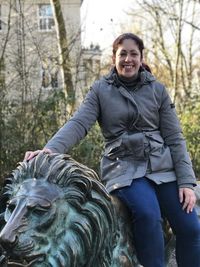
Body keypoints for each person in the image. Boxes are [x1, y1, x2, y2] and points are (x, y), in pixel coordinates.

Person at [24, 33, 200, 267]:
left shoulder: (157, 90)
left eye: (133, 54)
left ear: (141, 57)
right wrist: (49, 150)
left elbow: (175, 138)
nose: (128, 59)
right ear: (114, 58)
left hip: (162, 168)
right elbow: (78, 123)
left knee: (191, 227)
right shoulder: (100, 90)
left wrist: (187, 183)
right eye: (123, 54)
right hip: (124, 169)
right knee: (149, 216)